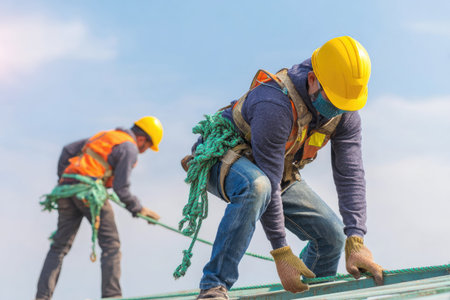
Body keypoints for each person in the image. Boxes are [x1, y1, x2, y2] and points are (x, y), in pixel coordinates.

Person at [181, 36, 383, 300]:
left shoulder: (344, 111)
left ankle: (312, 296)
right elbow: (269, 180)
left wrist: (355, 239)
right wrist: (281, 252)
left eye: (345, 104)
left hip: (274, 171)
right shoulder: (274, 102)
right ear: (312, 80)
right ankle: (214, 286)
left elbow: (351, 174)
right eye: (333, 100)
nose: (337, 110)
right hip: (222, 156)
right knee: (257, 186)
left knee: (331, 237)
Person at [36, 116, 163, 300]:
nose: (144, 151)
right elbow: (122, 188)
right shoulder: (129, 147)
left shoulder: (106, 136)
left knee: (58, 248)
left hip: (67, 189)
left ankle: (42, 297)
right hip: (89, 192)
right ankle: (112, 296)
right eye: (147, 147)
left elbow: (67, 150)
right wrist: (139, 209)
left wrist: (67, 180)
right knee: (111, 245)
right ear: (142, 139)